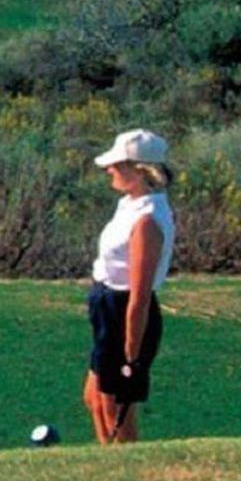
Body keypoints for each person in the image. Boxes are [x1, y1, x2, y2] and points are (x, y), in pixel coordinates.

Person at [83, 128, 176, 445]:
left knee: (115, 408)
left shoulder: (147, 220)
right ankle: (108, 462)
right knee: (95, 399)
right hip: (107, 307)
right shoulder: (130, 204)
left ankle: (125, 469)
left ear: (139, 170)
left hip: (124, 315)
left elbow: (139, 297)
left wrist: (131, 356)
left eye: (117, 164)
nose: (109, 169)